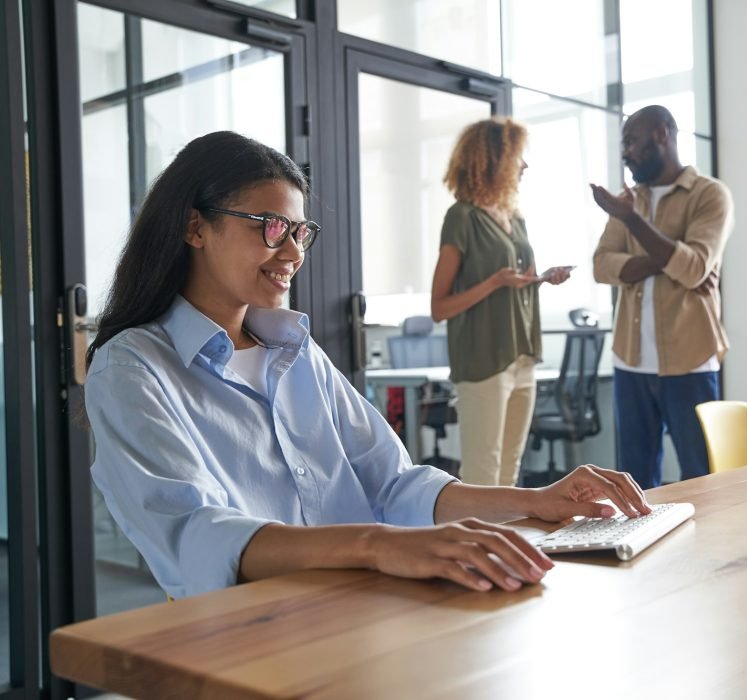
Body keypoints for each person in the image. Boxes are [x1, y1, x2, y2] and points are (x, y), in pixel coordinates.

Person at [85, 130, 649, 600]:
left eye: (300, 232)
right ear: (195, 228)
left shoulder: (295, 351)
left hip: (363, 607)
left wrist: (536, 500)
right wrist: (381, 545)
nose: (294, 253)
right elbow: (195, 535)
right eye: (271, 227)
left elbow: (395, 484)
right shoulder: (132, 371)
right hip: (253, 633)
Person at [590, 105, 734, 489]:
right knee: (634, 482)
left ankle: (708, 550)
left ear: (660, 135)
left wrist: (634, 223)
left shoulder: (709, 195)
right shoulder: (629, 199)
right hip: (631, 361)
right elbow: (602, 266)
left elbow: (694, 267)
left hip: (691, 359)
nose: (625, 153)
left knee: (700, 476)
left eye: (631, 142)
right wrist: (669, 257)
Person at [430, 118, 571, 487]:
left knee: (510, 471)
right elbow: (439, 307)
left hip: (521, 354)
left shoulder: (515, 219)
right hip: (483, 359)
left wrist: (542, 278)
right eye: (517, 157)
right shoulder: (461, 217)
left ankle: (506, 544)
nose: (524, 166)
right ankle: (473, 546)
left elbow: (520, 280)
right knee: (482, 473)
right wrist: (494, 282)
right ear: (491, 160)